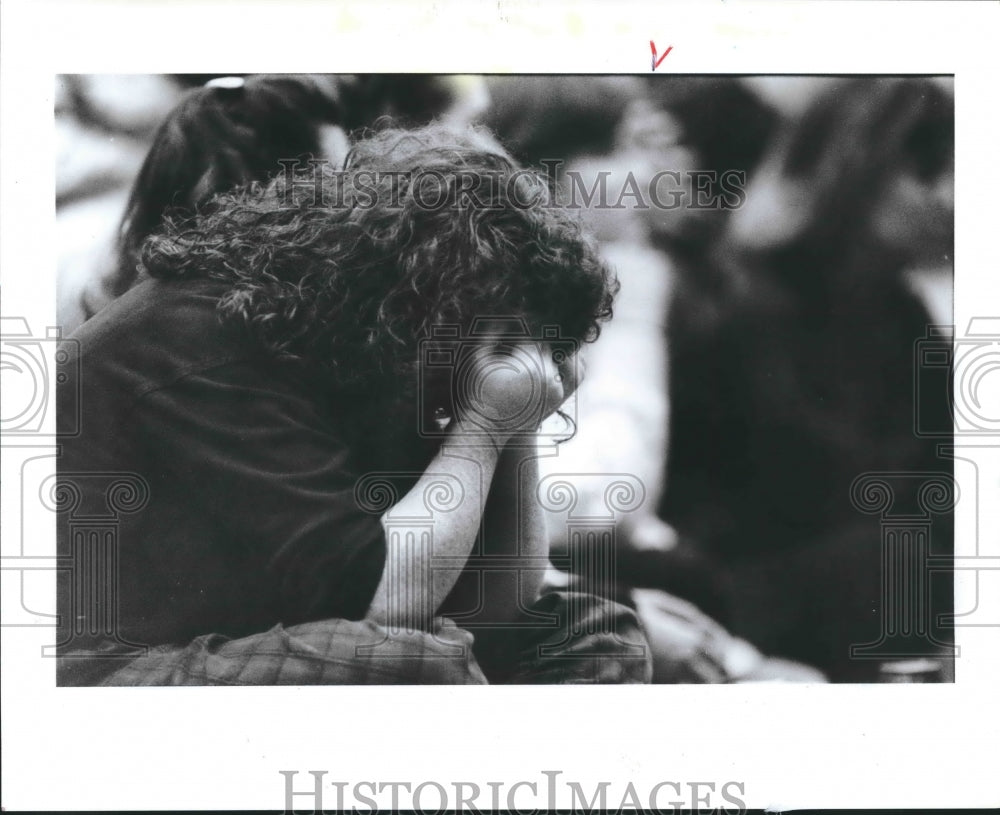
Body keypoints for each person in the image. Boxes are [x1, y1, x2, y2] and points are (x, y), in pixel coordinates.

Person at [55, 123, 650, 686]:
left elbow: (496, 608)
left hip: (240, 635)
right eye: (503, 340)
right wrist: (485, 427)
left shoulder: (370, 337)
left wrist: (519, 426)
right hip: (100, 668)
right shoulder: (209, 341)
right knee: (413, 665)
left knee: (593, 634)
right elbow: (380, 606)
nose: (508, 363)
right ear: (437, 298)